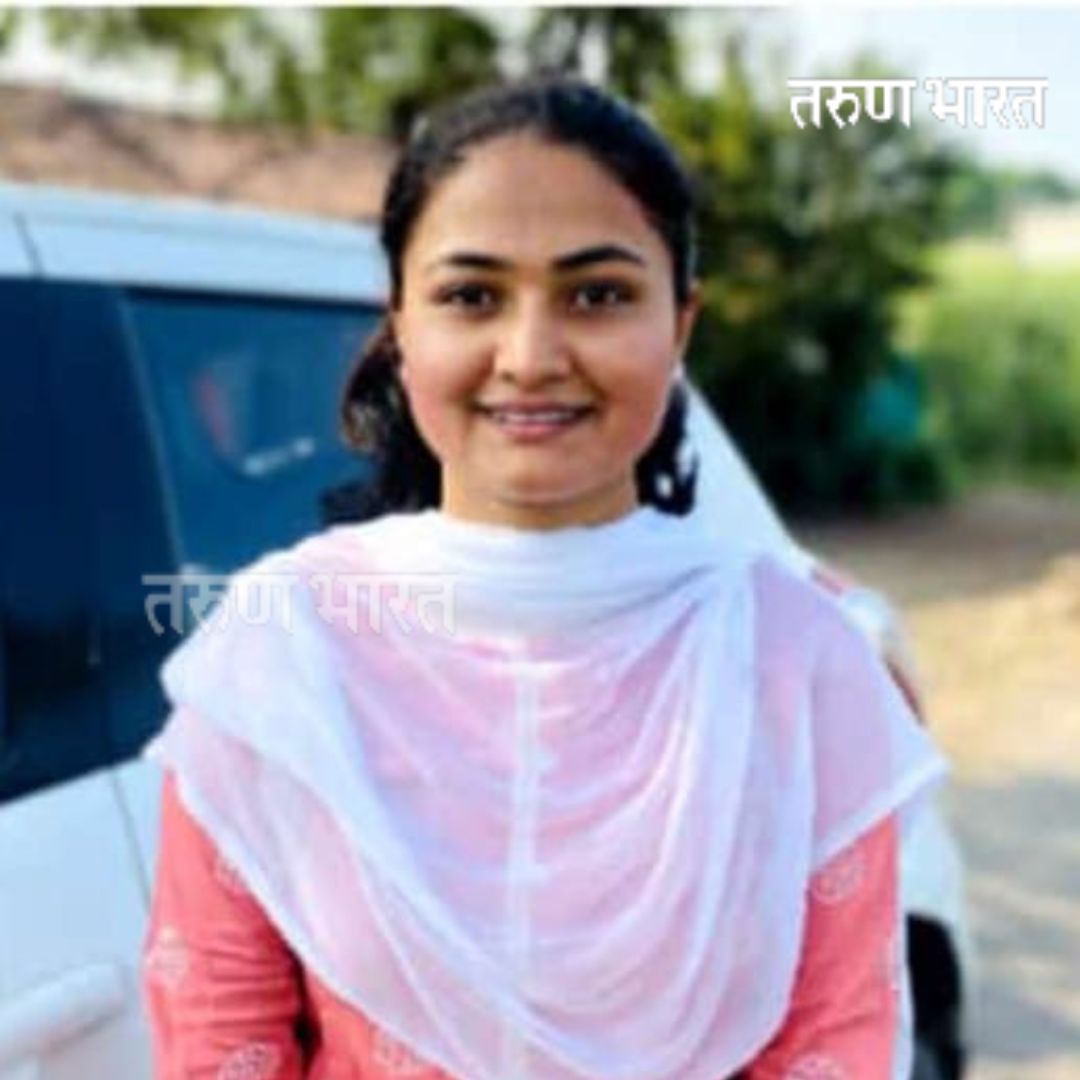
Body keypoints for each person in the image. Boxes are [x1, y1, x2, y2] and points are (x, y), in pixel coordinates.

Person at [140, 76, 949, 1080]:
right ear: (401, 326)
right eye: (472, 296)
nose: (529, 357)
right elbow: (220, 1038)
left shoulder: (792, 656)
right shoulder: (284, 652)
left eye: (597, 295)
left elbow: (836, 1040)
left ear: (680, 325)